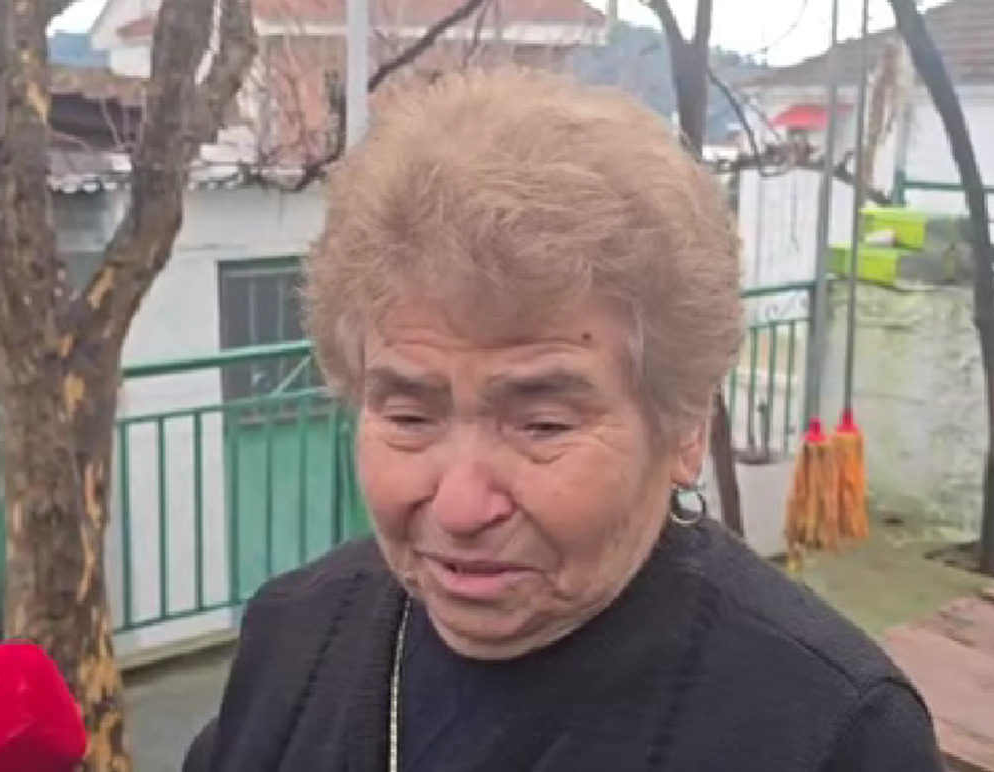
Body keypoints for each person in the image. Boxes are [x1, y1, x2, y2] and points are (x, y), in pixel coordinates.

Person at [182, 67, 942, 772]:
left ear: (682, 427)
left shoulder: (829, 734)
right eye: (409, 416)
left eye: (541, 425)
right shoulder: (293, 641)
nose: (460, 507)